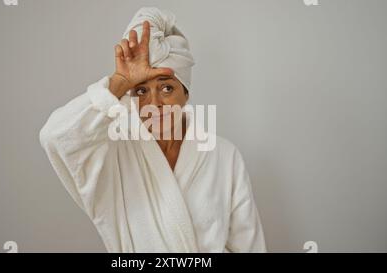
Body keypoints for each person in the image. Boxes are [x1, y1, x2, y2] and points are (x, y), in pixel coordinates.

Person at [39, 7, 266, 252]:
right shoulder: (112, 153)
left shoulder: (224, 155)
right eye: (141, 91)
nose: (154, 104)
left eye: (167, 88)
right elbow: (55, 137)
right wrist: (121, 82)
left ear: (185, 93)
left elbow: (248, 247)